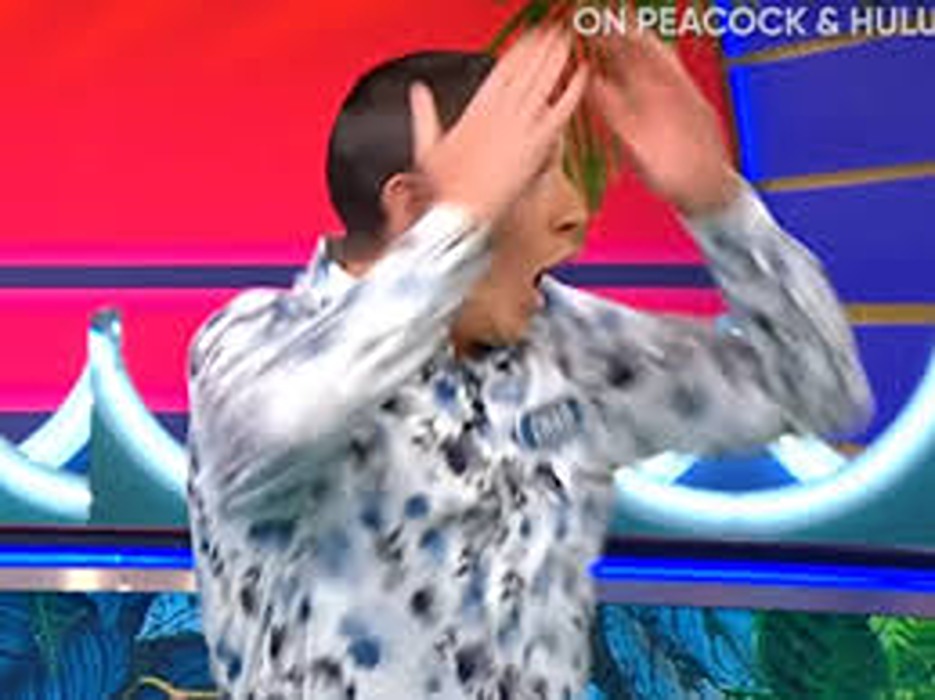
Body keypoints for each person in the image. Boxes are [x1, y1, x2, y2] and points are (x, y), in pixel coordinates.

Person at [186, 25, 873, 700]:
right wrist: (457, 227)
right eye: (533, 174)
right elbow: (288, 424)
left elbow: (819, 390)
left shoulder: (565, 346)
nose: (575, 213)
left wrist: (717, 202)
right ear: (413, 206)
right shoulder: (251, 342)